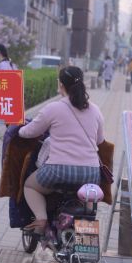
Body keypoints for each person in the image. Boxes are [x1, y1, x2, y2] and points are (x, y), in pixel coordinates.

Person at [17, 66, 104, 234]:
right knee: (87, 200)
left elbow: (31, 132)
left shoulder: (53, 108)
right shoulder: (95, 110)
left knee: (30, 186)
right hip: (91, 174)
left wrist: (18, 129)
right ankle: (86, 223)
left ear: (61, 84)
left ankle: (41, 220)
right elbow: (100, 140)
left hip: (58, 171)